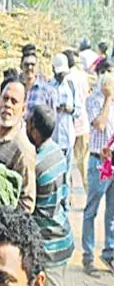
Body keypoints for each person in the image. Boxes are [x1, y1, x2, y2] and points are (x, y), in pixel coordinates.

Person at [26, 105, 74, 286]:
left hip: (50, 245)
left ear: (34, 129)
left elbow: (29, 206)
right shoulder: (56, 151)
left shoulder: (36, 164)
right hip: (62, 236)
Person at [0, 80, 36, 213]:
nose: (7, 105)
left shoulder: (23, 148)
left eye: (14, 101)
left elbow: (27, 203)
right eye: (5, 99)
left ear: (23, 109)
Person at [82, 72, 114, 277]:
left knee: (112, 211)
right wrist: (108, 99)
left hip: (112, 161)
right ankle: (87, 255)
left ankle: (109, 252)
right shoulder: (94, 101)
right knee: (92, 209)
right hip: (99, 162)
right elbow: (101, 124)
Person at [50, 53, 80, 193]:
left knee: (66, 179)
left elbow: (79, 110)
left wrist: (70, 109)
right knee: (54, 178)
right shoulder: (49, 87)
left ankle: (66, 207)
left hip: (67, 139)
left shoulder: (71, 86)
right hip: (53, 139)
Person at [65, 49, 90, 191]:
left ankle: (70, 196)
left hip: (70, 126)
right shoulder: (82, 76)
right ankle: (87, 192)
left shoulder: (66, 78)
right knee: (83, 163)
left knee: (68, 164)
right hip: (83, 124)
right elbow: (86, 95)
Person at [22, 45, 57, 119]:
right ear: (21, 66)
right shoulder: (17, 89)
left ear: (37, 66)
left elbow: (53, 120)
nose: (29, 68)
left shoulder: (47, 91)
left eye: (32, 64)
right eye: (26, 65)